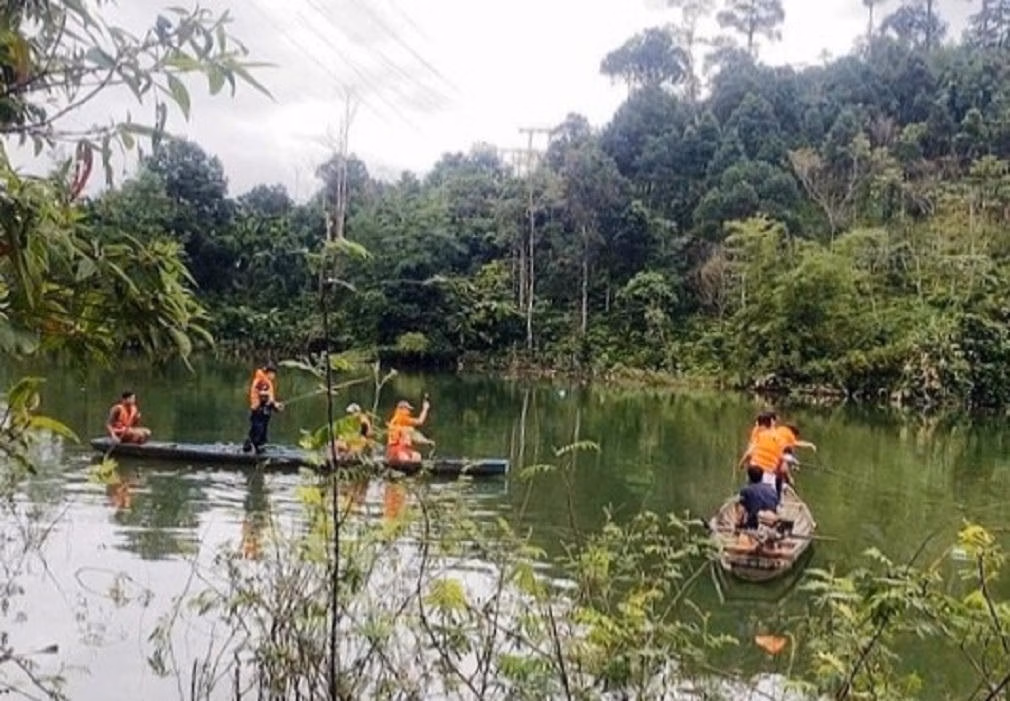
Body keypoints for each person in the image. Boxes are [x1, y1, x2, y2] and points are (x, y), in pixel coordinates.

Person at [738, 411, 784, 493]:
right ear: (771, 423)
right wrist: (778, 473)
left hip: (755, 470)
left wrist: (741, 464)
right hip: (770, 473)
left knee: (749, 493)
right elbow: (781, 460)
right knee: (769, 495)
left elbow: (749, 452)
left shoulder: (760, 435)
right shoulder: (779, 438)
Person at [243, 363, 283, 454]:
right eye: (273, 374)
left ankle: (252, 448)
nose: (274, 376)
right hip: (259, 411)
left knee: (258, 432)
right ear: (268, 373)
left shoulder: (265, 381)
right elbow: (262, 396)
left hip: (262, 412)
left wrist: (275, 405)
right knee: (258, 432)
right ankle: (255, 450)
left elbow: (268, 400)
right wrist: (274, 404)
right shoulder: (262, 381)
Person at [386, 397, 431, 463]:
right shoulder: (399, 418)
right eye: (407, 409)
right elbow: (419, 421)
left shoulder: (404, 421)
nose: (409, 412)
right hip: (396, 449)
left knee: (417, 456)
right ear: (401, 409)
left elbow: (418, 425)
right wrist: (425, 409)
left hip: (405, 449)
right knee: (405, 459)